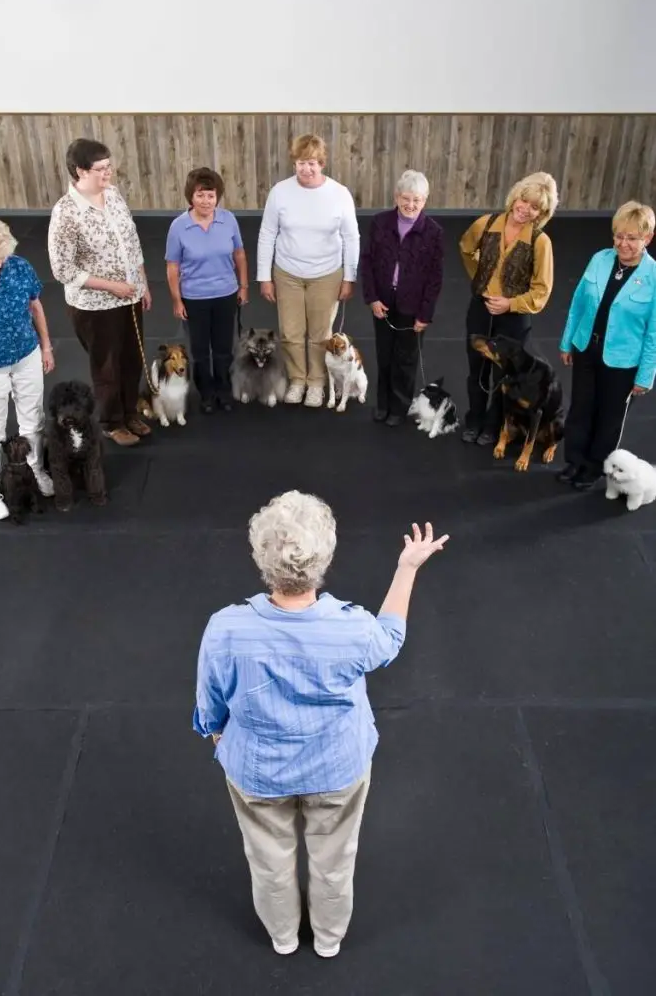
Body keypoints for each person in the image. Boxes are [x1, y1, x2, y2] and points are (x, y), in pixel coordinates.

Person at [194, 490, 449, 958]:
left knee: (268, 862)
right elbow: (390, 640)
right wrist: (407, 567)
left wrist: (216, 734)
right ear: (324, 557)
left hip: (256, 772)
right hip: (337, 767)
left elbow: (209, 702)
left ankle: (283, 937)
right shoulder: (351, 627)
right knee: (335, 860)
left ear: (261, 557)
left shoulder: (226, 628)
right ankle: (329, 940)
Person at [48, 138, 152, 447]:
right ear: (80, 171)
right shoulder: (66, 213)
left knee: (133, 359)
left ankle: (130, 411)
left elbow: (131, 243)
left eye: (109, 166)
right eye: (101, 169)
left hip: (130, 295)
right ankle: (111, 422)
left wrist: (142, 283)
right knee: (107, 367)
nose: (108, 173)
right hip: (95, 305)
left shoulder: (114, 195)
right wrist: (113, 287)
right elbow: (62, 270)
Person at [558, 200, 656, 490]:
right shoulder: (599, 259)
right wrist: (567, 342)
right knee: (581, 408)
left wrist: (645, 375)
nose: (623, 244)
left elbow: (653, 334)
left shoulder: (653, 276)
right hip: (587, 348)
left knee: (609, 417)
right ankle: (574, 460)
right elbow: (577, 304)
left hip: (623, 361)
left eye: (632, 238)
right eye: (619, 236)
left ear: (647, 238)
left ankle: (594, 467)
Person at [257, 135, 360, 407]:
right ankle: (297, 380)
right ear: (295, 163)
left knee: (320, 334)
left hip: (327, 274)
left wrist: (349, 276)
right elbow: (267, 233)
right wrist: (264, 277)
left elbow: (352, 237)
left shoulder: (339, 193)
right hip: (287, 273)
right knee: (290, 333)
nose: (306, 169)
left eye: (312, 163)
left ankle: (316, 383)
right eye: (301, 163)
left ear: (322, 163)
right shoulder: (280, 191)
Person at [458, 171, 558, 445]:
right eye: (523, 201)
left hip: (513, 320)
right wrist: (481, 280)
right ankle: (474, 419)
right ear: (515, 197)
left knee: (506, 377)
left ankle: (493, 425)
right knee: (476, 368)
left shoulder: (540, 242)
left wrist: (510, 303)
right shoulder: (486, 223)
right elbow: (466, 249)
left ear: (541, 212)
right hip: (480, 309)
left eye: (535, 207)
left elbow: (542, 290)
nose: (525, 209)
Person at [0, 217, 55, 520]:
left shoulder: (20, 267)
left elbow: (36, 306)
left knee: (33, 421)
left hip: (26, 356)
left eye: (0, 257)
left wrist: (46, 346)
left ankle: (35, 470)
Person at [360, 170, 444, 425]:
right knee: (384, 355)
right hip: (382, 302)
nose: (410, 205)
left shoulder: (434, 232)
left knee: (405, 359)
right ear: (396, 197)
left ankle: (398, 407)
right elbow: (367, 262)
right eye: (405, 198)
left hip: (413, 306)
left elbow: (434, 279)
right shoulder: (379, 222)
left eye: (416, 200)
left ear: (425, 201)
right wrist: (372, 298)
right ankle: (383, 404)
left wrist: (424, 315)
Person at [166, 167, 248, 413]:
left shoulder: (228, 219)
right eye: (200, 195)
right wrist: (177, 301)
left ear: (217, 196)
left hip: (226, 294)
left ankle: (224, 390)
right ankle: (206, 394)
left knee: (224, 348)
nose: (206, 201)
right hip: (194, 298)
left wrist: (243, 286)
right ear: (191, 196)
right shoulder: (178, 227)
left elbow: (240, 254)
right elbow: (172, 268)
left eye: (211, 195)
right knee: (200, 352)